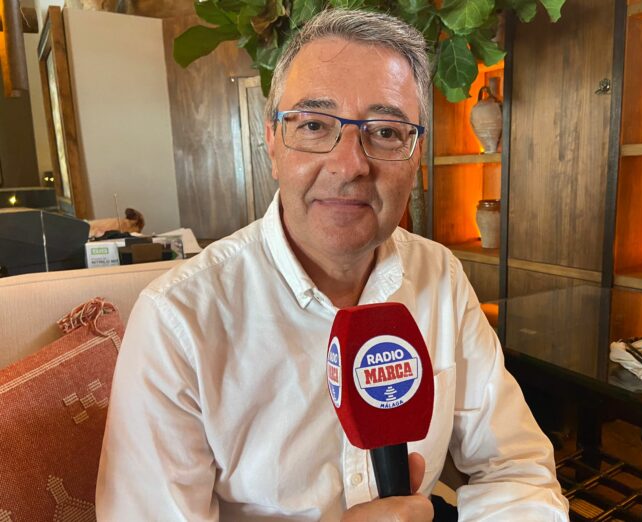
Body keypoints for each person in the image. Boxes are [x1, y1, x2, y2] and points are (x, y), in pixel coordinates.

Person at [96, 8, 569, 521]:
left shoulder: (439, 274)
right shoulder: (177, 319)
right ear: (272, 143)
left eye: (385, 132)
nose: (349, 165)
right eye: (314, 125)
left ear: (416, 156)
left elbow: (517, 469)